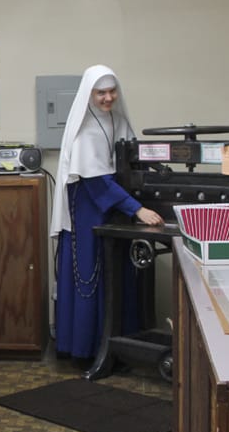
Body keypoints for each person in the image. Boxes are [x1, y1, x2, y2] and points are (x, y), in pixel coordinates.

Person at [50, 64, 163, 363]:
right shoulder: (84, 130)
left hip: (114, 203)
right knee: (92, 272)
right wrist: (137, 209)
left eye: (112, 91)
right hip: (89, 208)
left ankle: (120, 346)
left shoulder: (118, 120)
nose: (108, 98)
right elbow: (96, 181)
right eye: (101, 93)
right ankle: (86, 350)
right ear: (89, 94)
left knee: (118, 270)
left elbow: (133, 160)